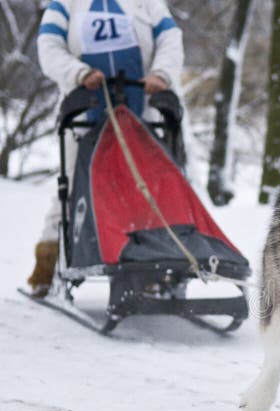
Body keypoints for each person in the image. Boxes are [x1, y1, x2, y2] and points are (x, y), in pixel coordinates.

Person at [27, 0, 184, 297]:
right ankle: (47, 264)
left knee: (143, 191)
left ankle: (146, 267)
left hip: (141, 114)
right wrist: (78, 72)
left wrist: (161, 74)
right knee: (72, 188)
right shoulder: (66, 5)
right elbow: (48, 46)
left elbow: (170, 38)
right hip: (85, 114)